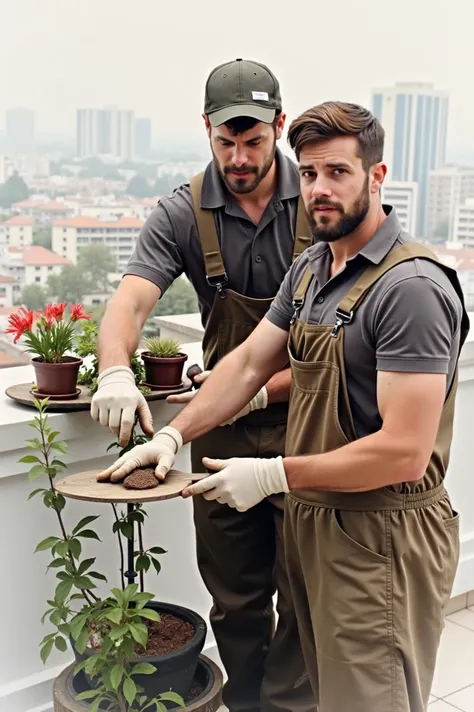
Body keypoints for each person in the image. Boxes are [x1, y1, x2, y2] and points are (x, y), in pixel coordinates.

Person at [97, 100, 470, 712]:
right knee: (318, 689)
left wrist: (273, 473)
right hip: (319, 519)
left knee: (369, 698)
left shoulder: (411, 290)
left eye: (339, 173)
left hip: (381, 536)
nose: (320, 189)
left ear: (376, 178)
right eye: (312, 172)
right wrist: (171, 437)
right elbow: (246, 365)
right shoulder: (313, 268)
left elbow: (404, 454)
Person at [91, 59, 315, 712]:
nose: (240, 156)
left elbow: (348, 344)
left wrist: (260, 390)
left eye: (253, 140)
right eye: (226, 141)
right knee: (237, 598)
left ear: (279, 124)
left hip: (309, 425)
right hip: (220, 430)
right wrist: (113, 367)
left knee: (304, 592)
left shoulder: (322, 202)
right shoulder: (183, 212)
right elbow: (131, 302)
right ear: (206, 131)